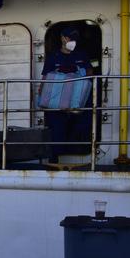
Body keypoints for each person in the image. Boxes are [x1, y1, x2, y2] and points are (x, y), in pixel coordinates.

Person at [39, 28, 94, 162]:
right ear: (62, 38)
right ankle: (54, 158)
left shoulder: (81, 55)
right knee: (57, 127)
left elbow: (90, 72)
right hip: (57, 100)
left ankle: (82, 154)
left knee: (81, 125)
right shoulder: (53, 57)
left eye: (74, 38)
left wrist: (75, 74)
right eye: (69, 38)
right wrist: (42, 96)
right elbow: (45, 79)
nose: (72, 41)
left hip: (77, 99)